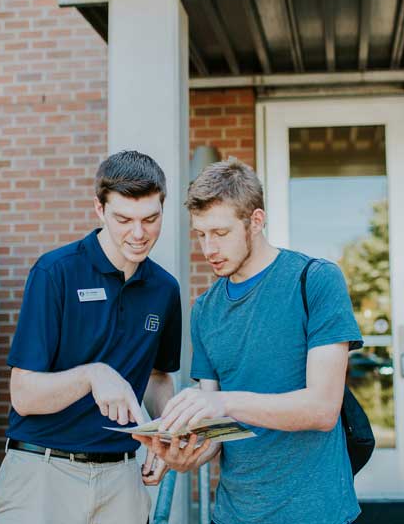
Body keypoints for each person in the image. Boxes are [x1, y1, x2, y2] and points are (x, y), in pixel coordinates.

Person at [135, 160, 363, 524]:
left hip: (318, 513)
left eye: (220, 233)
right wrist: (184, 454)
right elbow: (214, 433)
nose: (208, 248)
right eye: (201, 234)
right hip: (233, 514)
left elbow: (322, 409)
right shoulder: (205, 310)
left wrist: (221, 400)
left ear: (255, 221)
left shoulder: (315, 281)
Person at [0, 150, 181, 524]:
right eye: (124, 219)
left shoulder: (165, 289)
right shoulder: (55, 273)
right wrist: (92, 375)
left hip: (123, 479)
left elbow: (158, 377)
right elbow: (24, 395)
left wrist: (166, 431)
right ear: (99, 209)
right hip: (42, 473)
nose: (139, 233)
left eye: (151, 219)